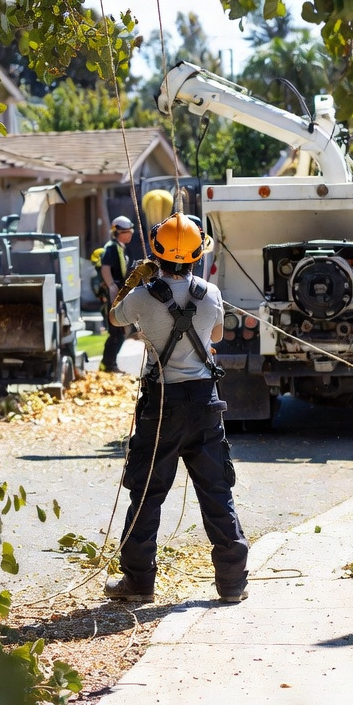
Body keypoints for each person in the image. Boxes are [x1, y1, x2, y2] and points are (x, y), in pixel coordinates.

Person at [105, 212, 249, 604]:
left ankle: (138, 583)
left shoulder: (141, 295)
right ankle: (233, 584)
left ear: (156, 251)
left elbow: (115, 318)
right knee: (217, 492)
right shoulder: (211, 294)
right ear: (197, 254)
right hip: (204, 402)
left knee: (148, 495)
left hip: (162, 405)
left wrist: (135, 279)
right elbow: (215, 335)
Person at [99, 215, 135, 372]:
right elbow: (105, 267)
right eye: (127, 231)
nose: (130, 234)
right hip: (114, 295)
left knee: (122, 330)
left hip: (121, 293)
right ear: (117, 232)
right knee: (116, 331)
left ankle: (110, 363)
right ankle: (108, 363)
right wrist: (112, 285)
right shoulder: (111, 248)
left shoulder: (120, 247)